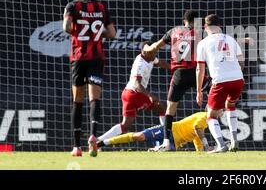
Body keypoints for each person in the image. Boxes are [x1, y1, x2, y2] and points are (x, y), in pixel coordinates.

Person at [62, 0, 116, 157]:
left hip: (78, 58)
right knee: (95, 98)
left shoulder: (72, 6)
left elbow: (67, 27)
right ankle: (93, 135)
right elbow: (112, 33)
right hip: (96, 58)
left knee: (78, 100)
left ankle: (76, 146)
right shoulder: (101, 7)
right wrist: (96, 33)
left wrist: (76, 28)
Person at [96, 41, 170, 151]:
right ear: (145, 52)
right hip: (135, 93)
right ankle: (167, 139)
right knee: (162, 108)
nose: (155, 54)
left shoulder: (149, 58)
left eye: (155, 52)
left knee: (125, 125)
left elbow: (161, 63)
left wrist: (175, 68)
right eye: (153, 52)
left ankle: (98, 141)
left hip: (127, 93)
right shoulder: (140, 64)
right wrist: (149, 95)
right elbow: (136, 84)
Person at [148, 10, 200, 151]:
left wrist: (148, 48)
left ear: (184, 21)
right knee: (214, 102)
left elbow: (156, 46)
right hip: (197, 73)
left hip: (179, 74)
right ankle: (221, 139)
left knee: (170, 109)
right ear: (197, 21)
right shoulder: (200, 33)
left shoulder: (173, 31)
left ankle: (166, 143)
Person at [196, 14, 245, 153]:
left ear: (205, 27)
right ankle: (234, 140)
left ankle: (221, 145)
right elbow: (242, 62)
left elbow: (200, 69)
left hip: (220, 81)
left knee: (210, 115)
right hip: (237, 79)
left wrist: (199, 90)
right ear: (220, 26)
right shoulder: (231, 39)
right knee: (230, 105)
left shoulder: (203, 43)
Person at [97, 111, 213, 152]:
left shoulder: (206, 122)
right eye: (219, 110)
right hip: (168, 131)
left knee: (165, 155)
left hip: (174, 144)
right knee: (140, 136)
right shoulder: (204, 116)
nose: (220, 113)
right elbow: (198, 128)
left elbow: (196, 135)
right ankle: (103, 142)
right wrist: (207, 146)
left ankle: (156, 149)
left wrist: (202, 151)